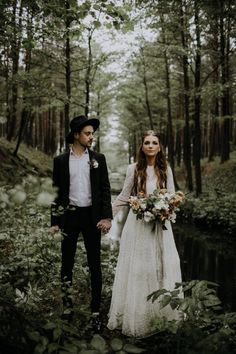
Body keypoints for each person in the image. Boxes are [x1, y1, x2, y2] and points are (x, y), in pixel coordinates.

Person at [107, 130, 182, 338]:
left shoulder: (165, 169)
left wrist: (164, 208)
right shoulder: (133, 168)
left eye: (154, 142)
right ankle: (137, 316)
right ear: (142, 146)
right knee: (139, 268)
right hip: (138, 225)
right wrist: (107, 217)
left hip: (159, 226)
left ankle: (161, 315)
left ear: (159, 147)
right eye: (147, 142)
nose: (150, 145)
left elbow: (174, 197)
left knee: (160, 265)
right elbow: (123, 197)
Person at [50, 115, 112, 331]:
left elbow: (104, 189)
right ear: (76, 135)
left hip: (92, 218)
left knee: (95, 264)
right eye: (87, 133)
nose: (91, 137)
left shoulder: (98, 159)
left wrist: (107, 217)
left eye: (92, 133)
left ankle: (95, 311)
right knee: (66, 263)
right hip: (69, 217)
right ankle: (67, 309)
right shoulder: (60, 161)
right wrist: (55, 221)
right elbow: (56, 192)